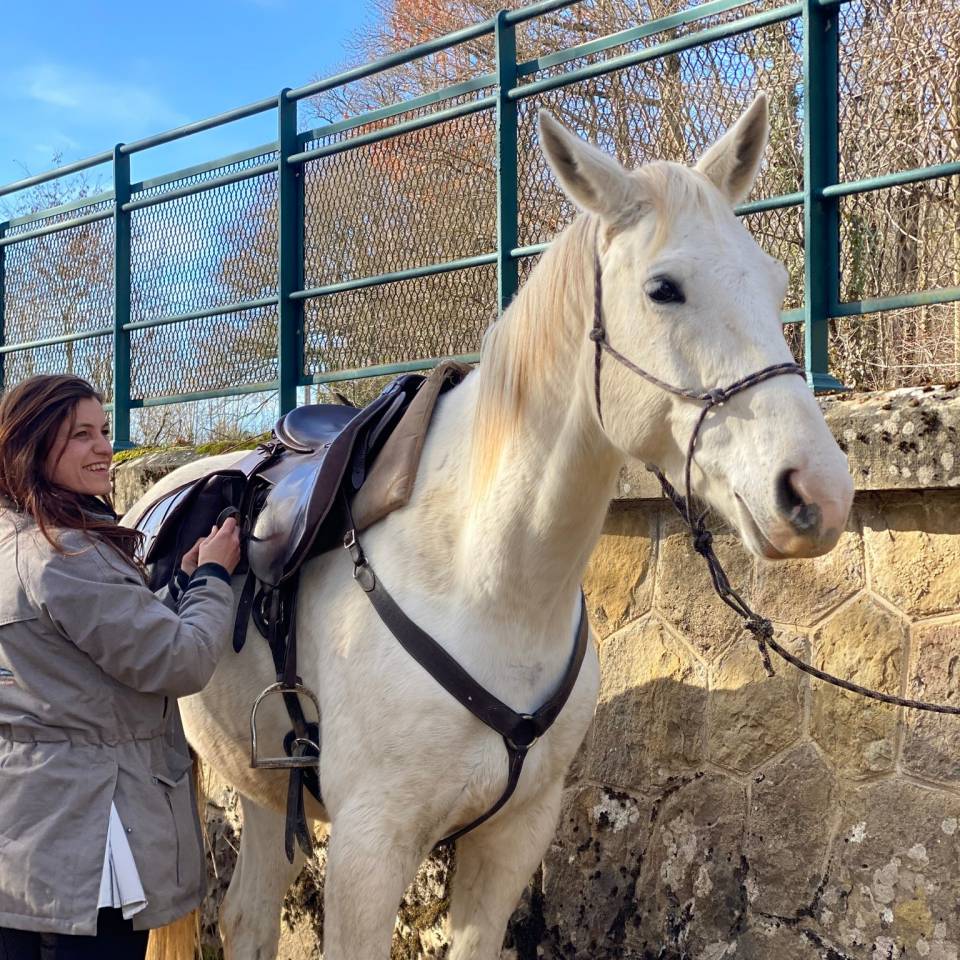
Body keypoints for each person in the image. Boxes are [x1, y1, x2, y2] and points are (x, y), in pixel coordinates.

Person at [0, 374, 240, 959]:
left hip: (24, 843)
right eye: (80, 435)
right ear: (32, 448)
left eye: (104, 430)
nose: (103, 446)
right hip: (89, 850)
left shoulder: (15, 543)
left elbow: (91, 650)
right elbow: (179, 662)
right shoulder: (66, 554)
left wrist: (176, 585)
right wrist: (212, 580)